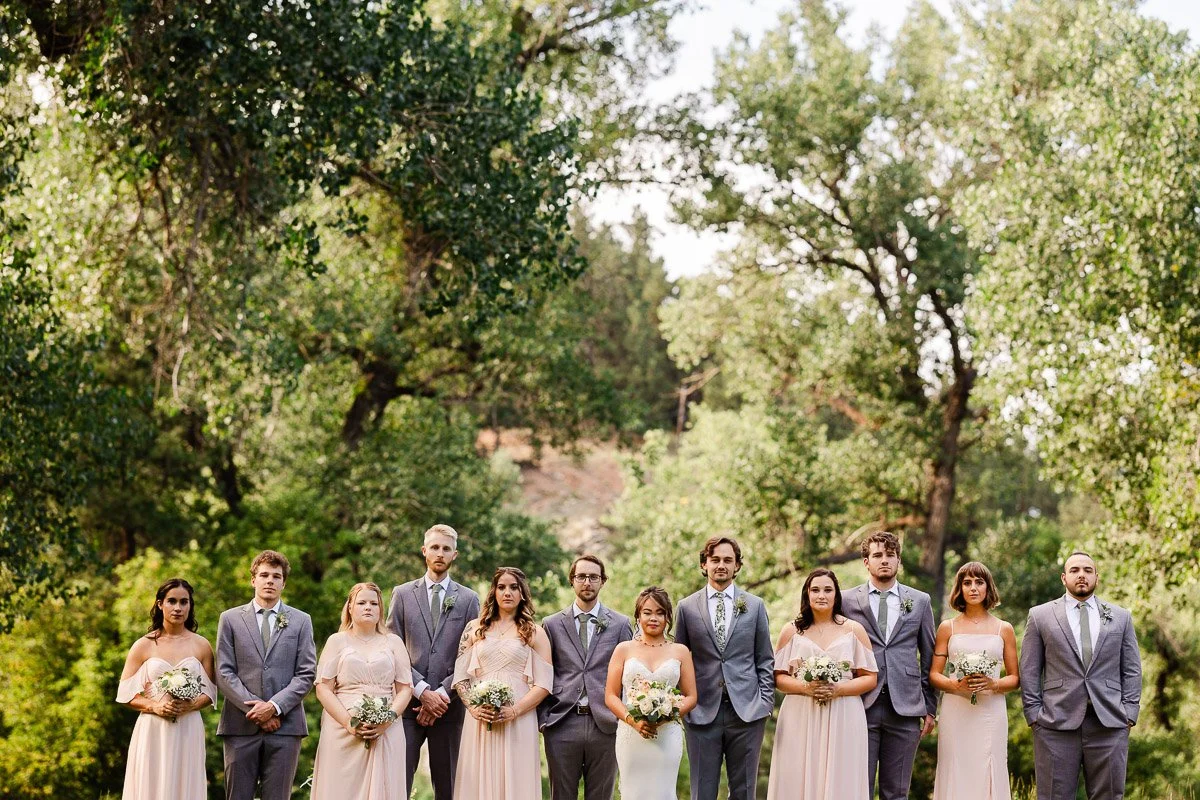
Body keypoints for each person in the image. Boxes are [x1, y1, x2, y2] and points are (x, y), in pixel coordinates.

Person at [1019, 551, 1141, 800]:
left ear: (1097, 576)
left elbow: (1132, 668)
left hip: (1110, 723)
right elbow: (1030, 669)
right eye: (1074, 570)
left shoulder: (1121, 617)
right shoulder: (1040, 615)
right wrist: (1034, 715)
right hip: (1055, 723)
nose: (1081, 575)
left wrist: (1129, 714)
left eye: (1087, 570)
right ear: (1064, 578)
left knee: (1108, 796)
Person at [673, 535, 775, 800]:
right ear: (704, 564)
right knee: (702, 792)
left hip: (747, 712)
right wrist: (684, 704)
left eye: (728, 560)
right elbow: (678, 660)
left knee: (744, 792)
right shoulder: (686, 608)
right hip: (701, 711)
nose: (721, 565)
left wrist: (764, 703)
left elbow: (764, 659)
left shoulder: (754, 605)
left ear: (737, 566)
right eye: (715, 559)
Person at [387, 524, 481, 800]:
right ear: (424, 551)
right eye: (435, 547)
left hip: (449, 708)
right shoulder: (402, 594)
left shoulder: (468, 599)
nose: (440, 553)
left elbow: (472, 653)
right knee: (396, 782)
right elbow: (392, 647)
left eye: (446, 549)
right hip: (407, 707)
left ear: (455, 555)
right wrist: (421, 691)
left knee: (449, 787)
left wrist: (440, 694)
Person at [767, 568, 878, 800]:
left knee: (841, 774)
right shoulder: (791, 631)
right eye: (815, 590)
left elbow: (870, 677)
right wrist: (805, 687)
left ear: (836, 595)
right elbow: (778, 677)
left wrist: (838, 690)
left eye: (828, 590)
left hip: (844, 713)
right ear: (806, 594)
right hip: (800, 713)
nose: (821, 595)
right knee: (796, 773)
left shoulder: (854, 630)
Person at [842, 530, 938, 800]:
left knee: (896, 792)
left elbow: (928, 654)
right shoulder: (846, 600)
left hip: (906, 707)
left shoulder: (920, 601)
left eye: (890, 555)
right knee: (856, 789)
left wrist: (930, 706)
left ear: (898, 560)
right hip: (860, 705)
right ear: (866, 562)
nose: (884, 560)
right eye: (877, 555)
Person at [216, 550, 317, 800]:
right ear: (253, 580)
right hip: (240, 725)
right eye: (264, 575)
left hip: (285, 726)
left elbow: (306, 673)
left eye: (276, 576)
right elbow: (223, 670)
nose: (270, 580)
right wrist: (256, 711)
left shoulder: (301, 621)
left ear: (284, 582)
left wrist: (273, 707)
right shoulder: (229, 619)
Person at [451, 567, 554, 800]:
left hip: (519, 717)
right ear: (493, 592)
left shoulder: (534, 633)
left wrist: (514, 711)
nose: (507, 592)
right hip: (479, 718)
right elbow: (460, 677)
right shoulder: (475, 628)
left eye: (513, 587)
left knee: (516, 778)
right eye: (501, 587)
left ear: (522, 593)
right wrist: (474, 708)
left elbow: (545, 683)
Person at [540, 555, 634, 800]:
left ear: (603, 581)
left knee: (602, 796)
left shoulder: (621, 624)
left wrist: (623, 718)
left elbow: (629, 675)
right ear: (572, 580)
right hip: (562, 723)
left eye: (594, 577)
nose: (587, 582)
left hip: (604, 724)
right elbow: (543, 673)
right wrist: (544, 720)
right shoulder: (550, 624)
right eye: (581, 576)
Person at [311, 582, 414, 799]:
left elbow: (405, 689)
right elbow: (323, 688)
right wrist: (349, 723)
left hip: (386, 730)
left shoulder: (394, 642)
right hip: (341, 729)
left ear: (380, 609)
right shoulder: (336, 641)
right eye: (361, 602)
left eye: (373, 603)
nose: (368, 607)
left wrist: (387, 719)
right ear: (350, 607)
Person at [117, 578, 217, 800]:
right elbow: (125, 695)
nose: (178, 608)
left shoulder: (202, 645)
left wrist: (191, 705)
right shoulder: (143, 645)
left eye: (184, 602)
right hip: (153, 728)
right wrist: (155, 706)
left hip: (188, 727)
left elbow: (211, 693)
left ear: (190, 606)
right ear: (160, 604)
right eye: (172, 601)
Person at [929, 561, 1019, 800]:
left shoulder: (1004, 629)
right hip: (955, 711)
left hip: (991, 711)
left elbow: (1015, 678)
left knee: (989, 765)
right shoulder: (947, 628)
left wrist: (994, 684)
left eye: (979, 582)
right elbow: (934, 674)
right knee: (955, 765)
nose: (973, 588)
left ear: (988, 587)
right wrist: (955, 686)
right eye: (967, 583)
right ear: (959, 588)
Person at [604, 586, 699, 800]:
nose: (653, 618)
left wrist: (667, 715)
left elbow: (691, 696)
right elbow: (610, 695)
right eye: (647, 612)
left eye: (660, 612)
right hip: (631, 735)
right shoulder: (623, 649)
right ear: (638, 616)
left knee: (663, 792)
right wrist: (633, 720)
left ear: (667, 617)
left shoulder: (680, 651)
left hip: (667, 735)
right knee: (633, 792)